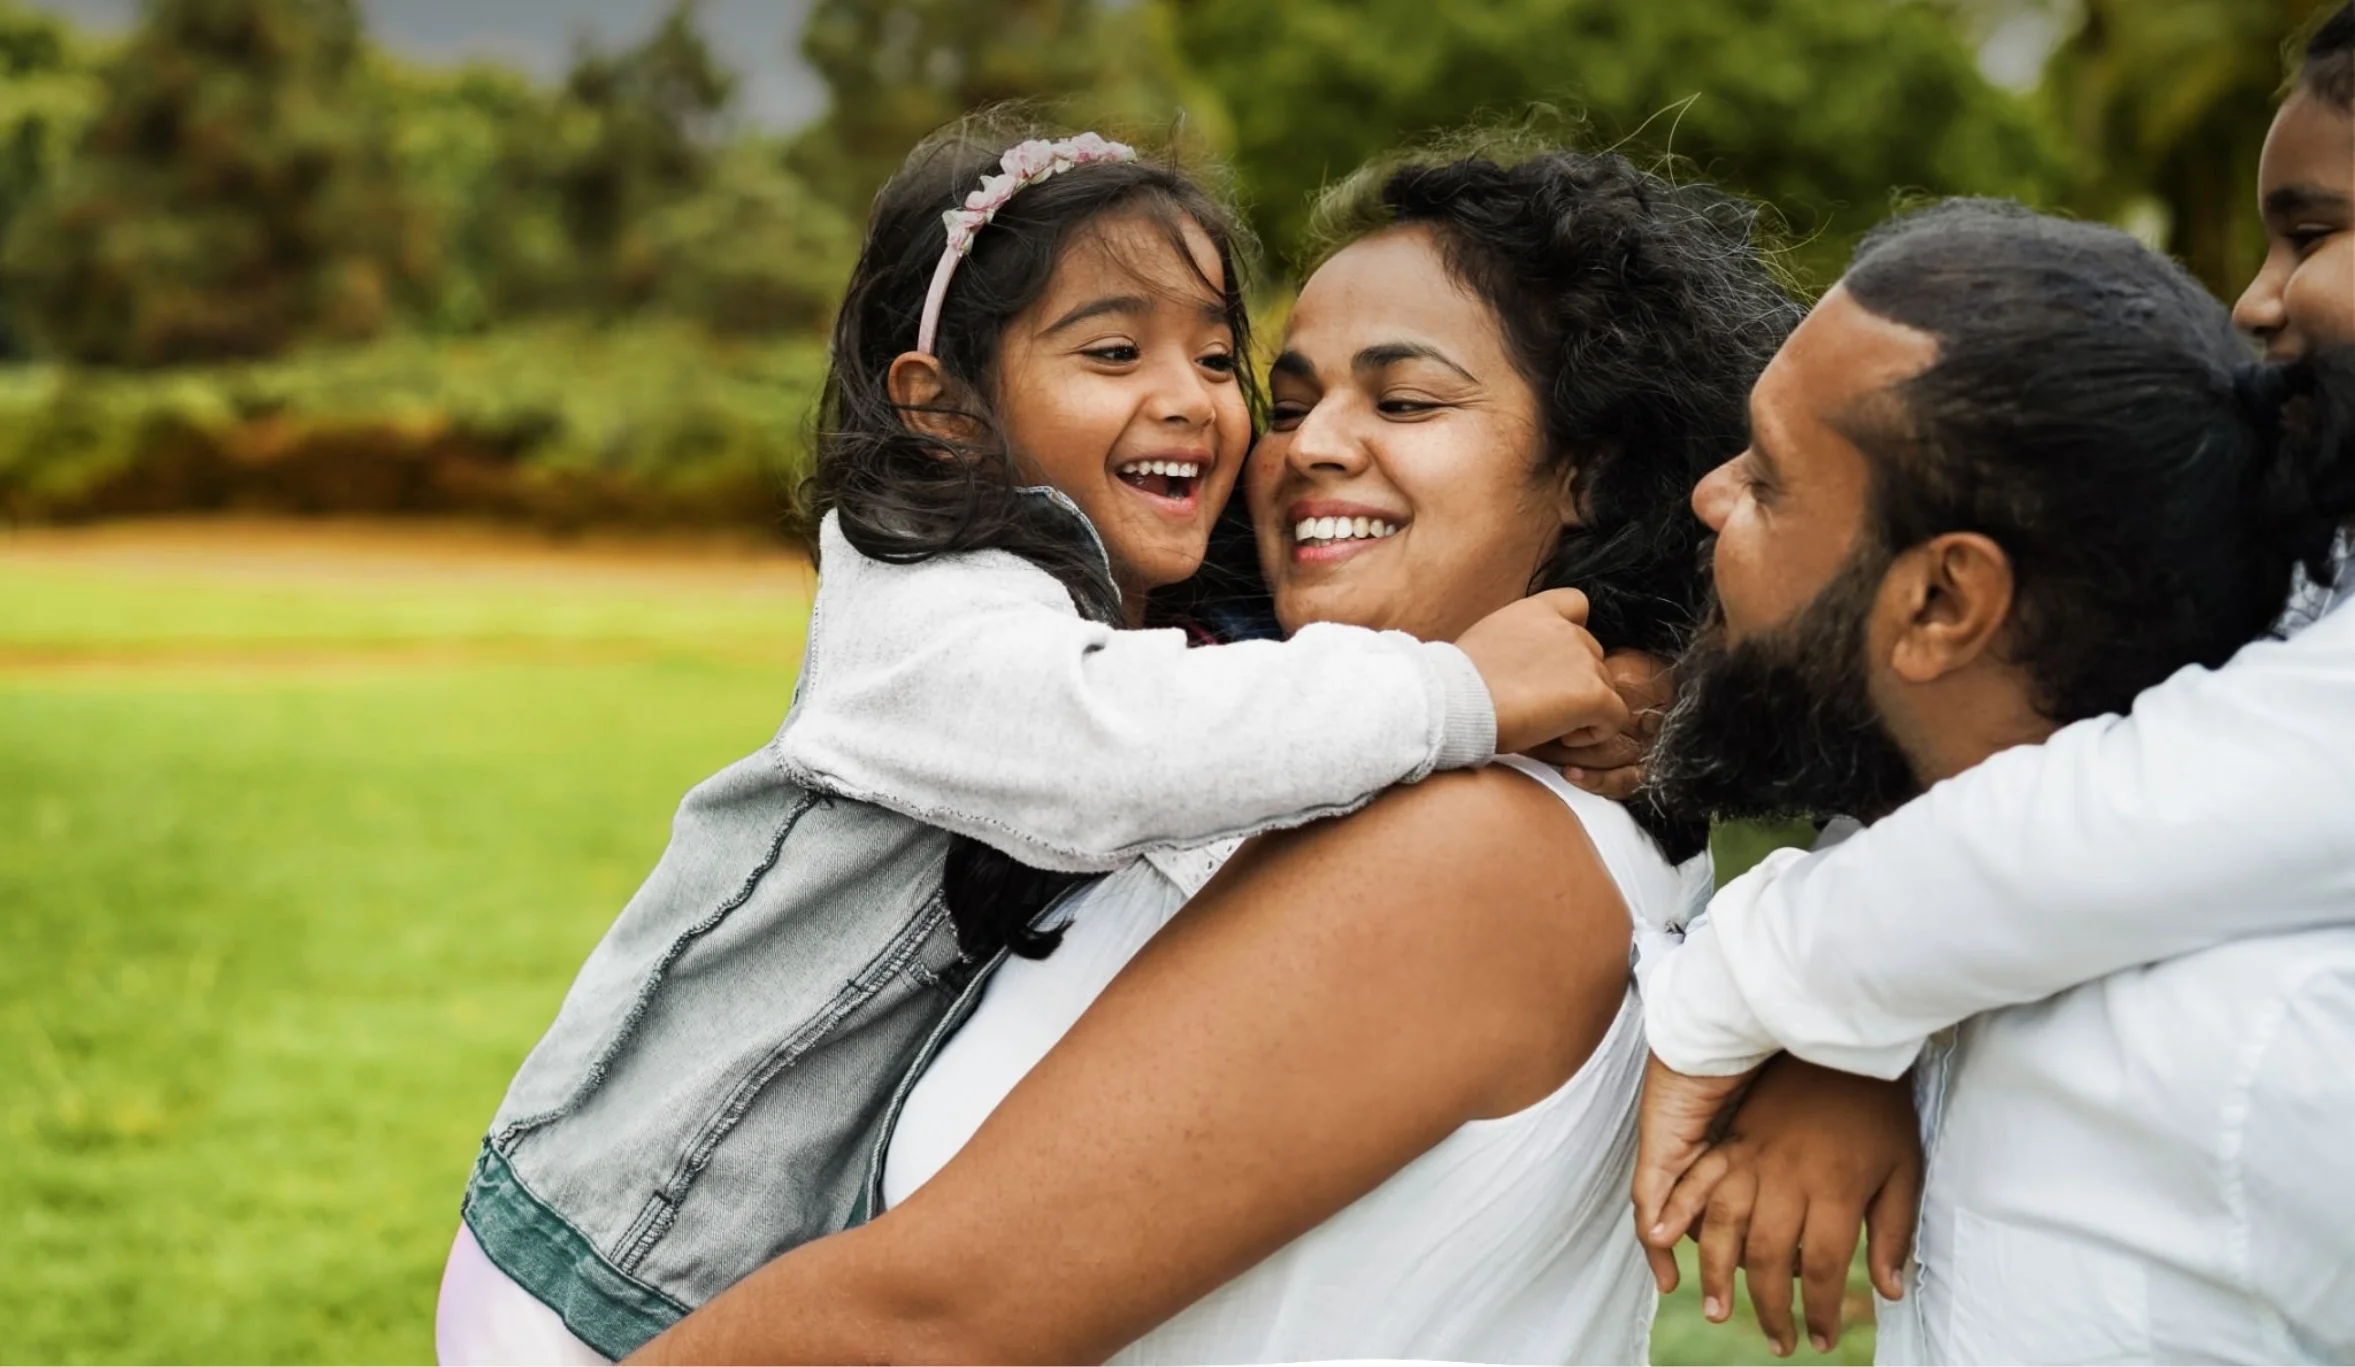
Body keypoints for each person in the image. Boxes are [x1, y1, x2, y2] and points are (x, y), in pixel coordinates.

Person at [626, 145, 1902, 1366]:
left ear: (1592, 471)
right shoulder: (1298, 752)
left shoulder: (1471, 846)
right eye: (1286, 404)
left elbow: (924, 1323)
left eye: (1404, 400)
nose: (1308, 449)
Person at [434, 119, 1640, 1363]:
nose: (1195, 399)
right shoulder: (924, 616)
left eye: (1221, 358)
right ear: (946, 410)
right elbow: (1130, 752)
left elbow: (1251, 720)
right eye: (1114, 351)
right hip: (605, 1254)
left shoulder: (1160, 621)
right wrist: (1460, 693)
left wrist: (1617, 675)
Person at [1629, 8, 2355, 1350]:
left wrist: (1767, 985)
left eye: (2313, 234)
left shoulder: (2253, 1053)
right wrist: (1855, 1028)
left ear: (1947, 598)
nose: (2269, 298)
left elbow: (2165, 806)